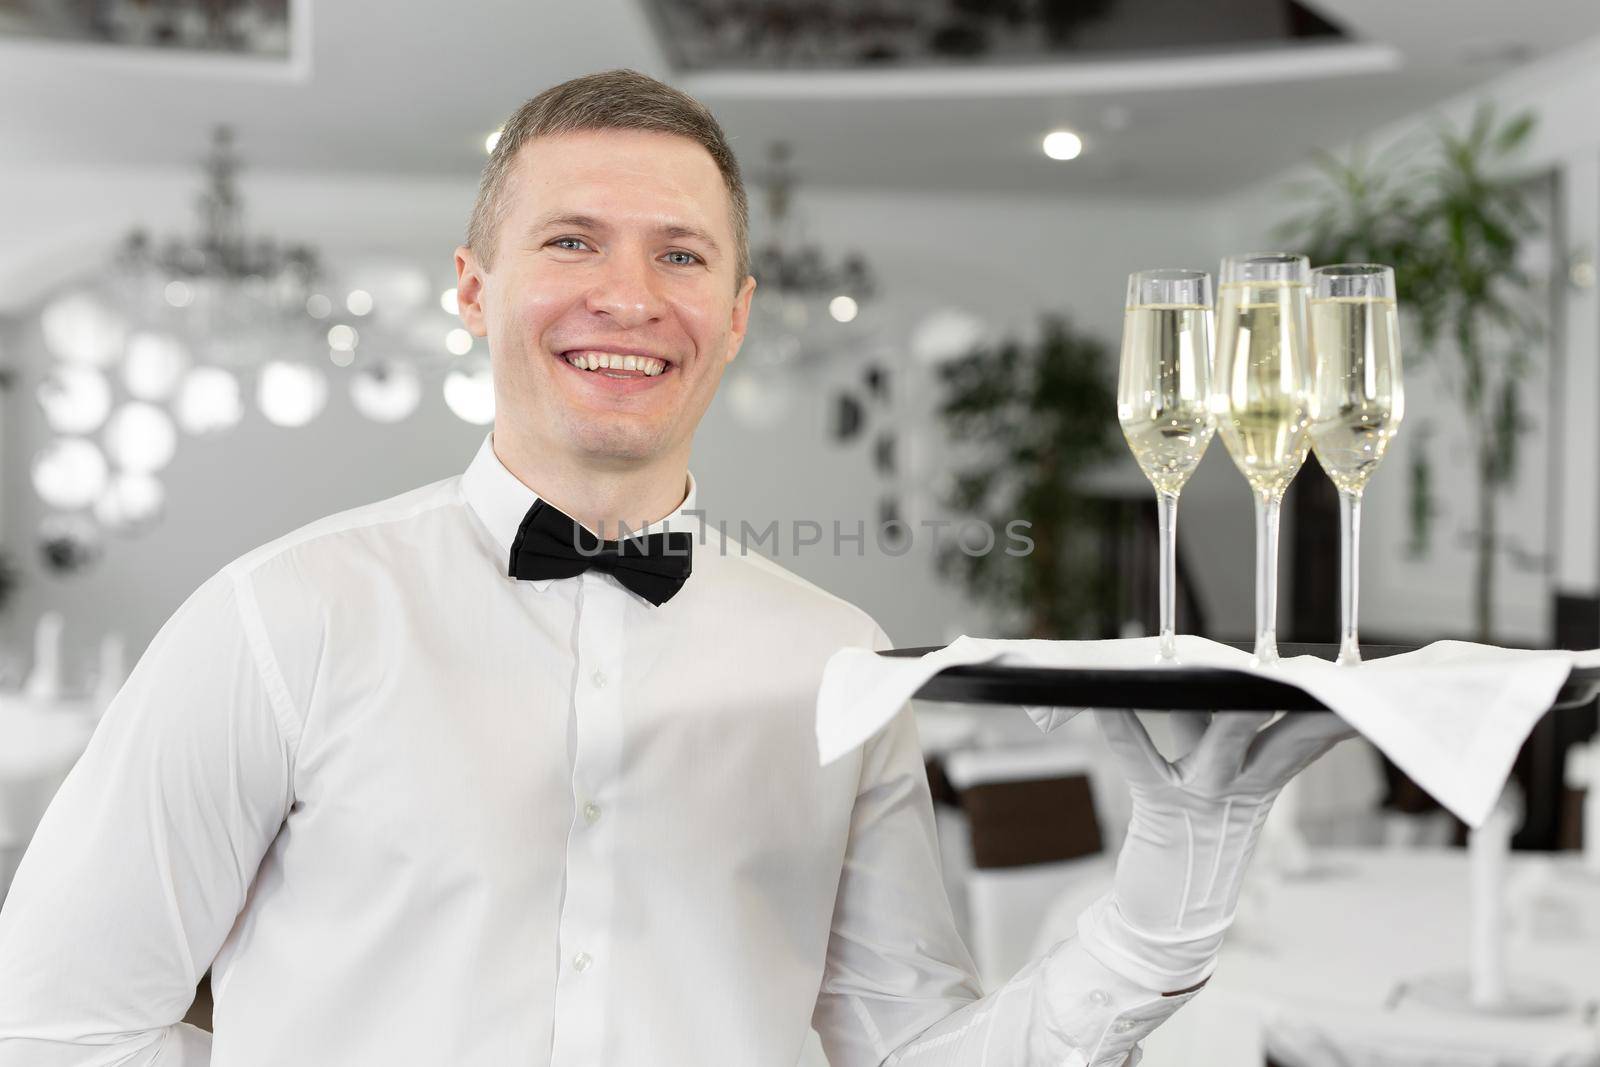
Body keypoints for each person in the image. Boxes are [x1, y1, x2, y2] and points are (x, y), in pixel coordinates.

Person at [0, 69, 1351, 1066]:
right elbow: (61, 1023)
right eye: (572, 240)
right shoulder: (277, 618)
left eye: (681, 255)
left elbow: (916, 1056)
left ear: (738, 314)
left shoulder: (838, 660)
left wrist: (1163, 913)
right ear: (473, 289)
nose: (629, 296)